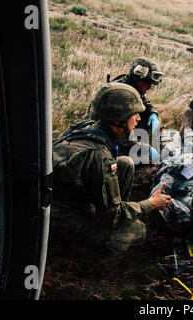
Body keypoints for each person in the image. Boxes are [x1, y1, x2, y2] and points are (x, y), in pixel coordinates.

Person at [51, 83, 171, 254]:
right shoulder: (99, 156)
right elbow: (112, 215)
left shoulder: (89, 127)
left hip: (67, 195)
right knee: (136, 230)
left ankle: (118, 209)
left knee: (125, 163)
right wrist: (150, 204)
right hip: (61, 216)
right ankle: (97, 255)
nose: (138, 118)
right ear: (118, 119)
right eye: (134, 114)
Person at [89, 57, 164, 161]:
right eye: (147, 83)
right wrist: (144, 148)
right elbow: (119, 131)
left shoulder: (133, 88)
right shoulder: (121, 95)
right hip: (106, 139)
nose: (150, 87)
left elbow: (144, 101)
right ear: (136, 78)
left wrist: (153, 113)